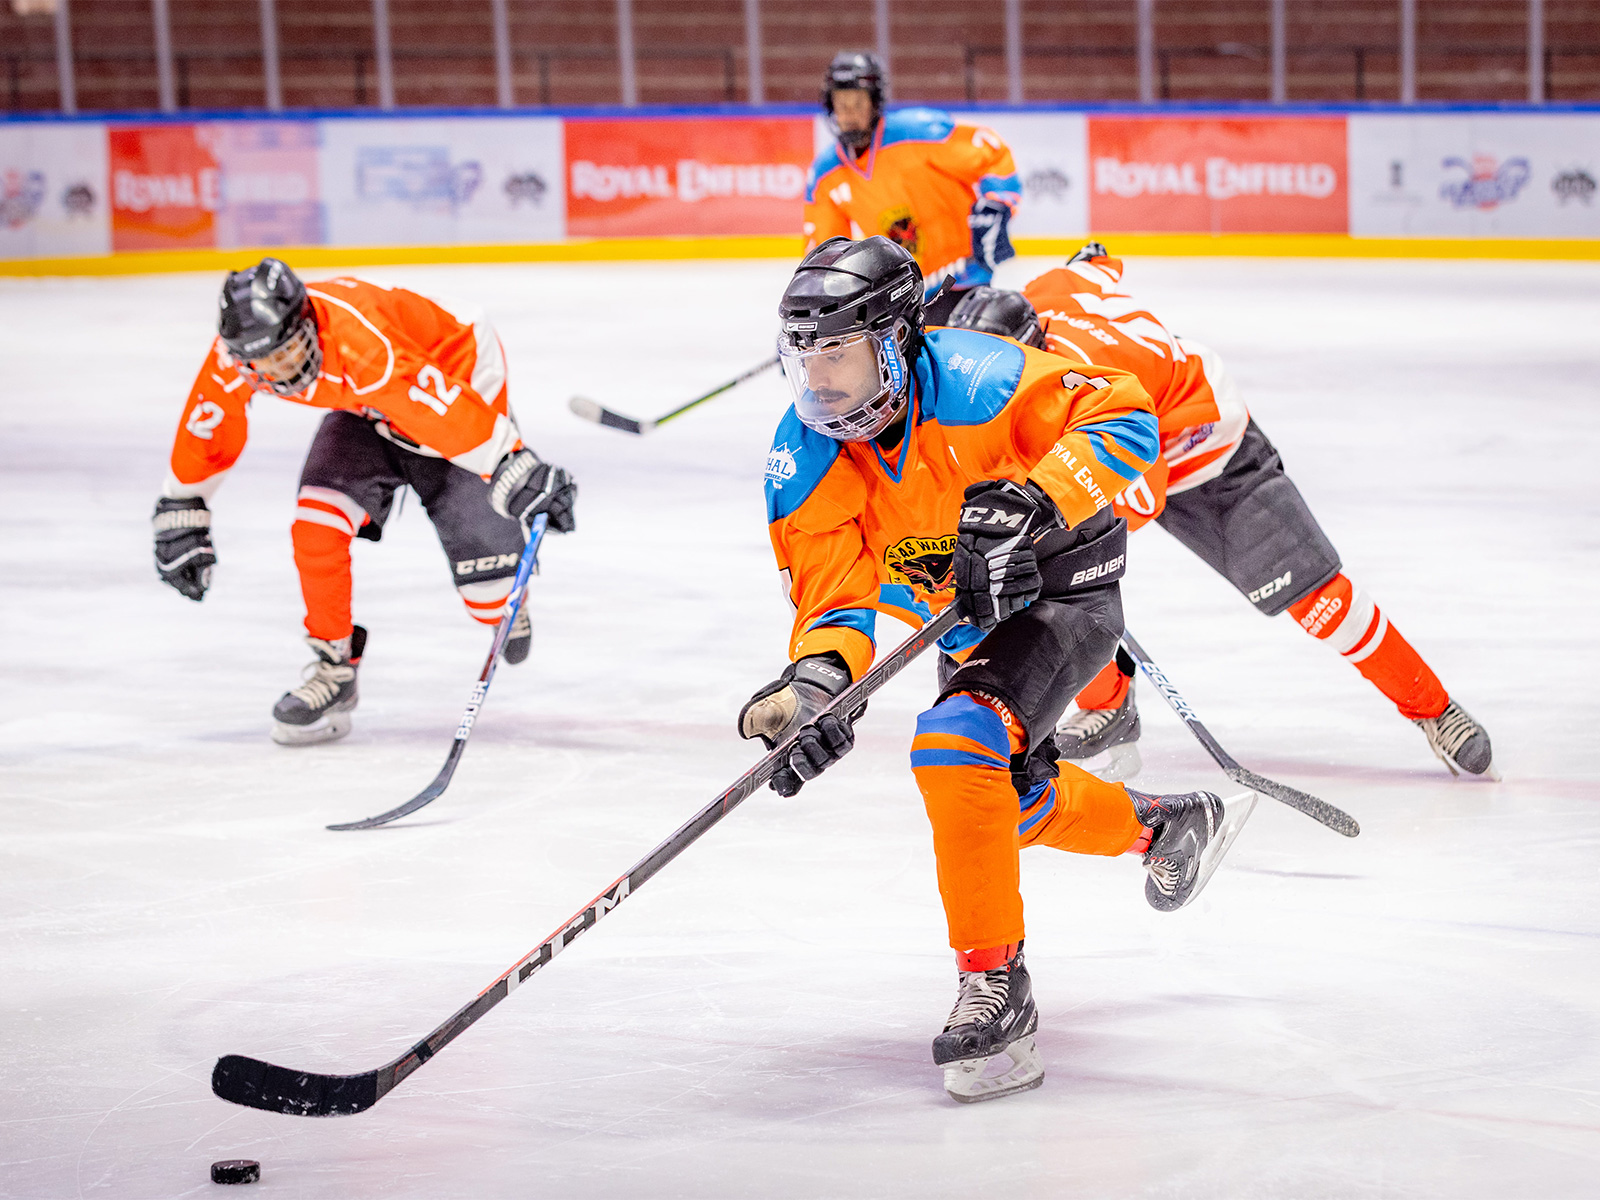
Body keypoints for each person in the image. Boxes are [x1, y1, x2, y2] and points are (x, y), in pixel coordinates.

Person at [738, 235, 1255, 1104]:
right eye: (808, 360)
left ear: (899, 340)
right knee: (998, 792)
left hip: (1062, 584)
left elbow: (1123, 414)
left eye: (842, 355)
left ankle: (997, 989)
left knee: (954, 744)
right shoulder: (805, 453)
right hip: (969, 609)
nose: (821, 384)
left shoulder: (982, 378)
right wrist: (816, 688)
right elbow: (835, 598)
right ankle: (1166, 827)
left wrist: (1036, 498)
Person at [945, 245, 1493, 779]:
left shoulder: (1100, 388)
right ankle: (1111, 706)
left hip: (1205, 449)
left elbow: (1135, 496)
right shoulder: (1047, 294)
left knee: (1320, 601)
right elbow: (1095, 264)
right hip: (1125, 431)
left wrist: (1039, 526)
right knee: (1038, 581)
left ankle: (1433, 708)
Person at [152, 257, 576, 746]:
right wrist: (181, 509)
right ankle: (335, 669)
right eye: (260, 365)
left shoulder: (364, 344)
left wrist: (513, 465)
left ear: (308, 324)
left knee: (490, 603)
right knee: (315, 526)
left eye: (285, 358)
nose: (275, 374)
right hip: (367, 404)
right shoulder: (244, 352)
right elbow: (209, 423)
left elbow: (438, 411)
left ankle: (506, 598)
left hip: (452, 377)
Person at [803, 51, 1022, 326]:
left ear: (875, 103)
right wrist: (814, 306)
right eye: (841, 103)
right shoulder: (825, 175)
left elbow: (992, 151)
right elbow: (828, 254)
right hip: (903, 295)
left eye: (857, 102)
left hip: (963, 278)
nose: (848, 113)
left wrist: (997, 204)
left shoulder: (918, 132)